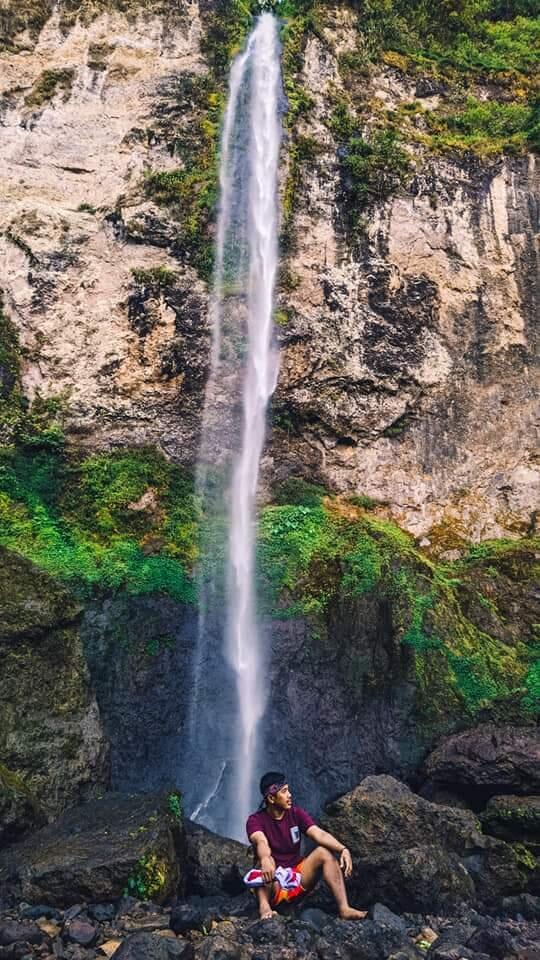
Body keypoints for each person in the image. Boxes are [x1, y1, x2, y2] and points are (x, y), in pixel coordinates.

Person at [246, 771, 367, 921]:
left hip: (296, 879)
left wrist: (343, 849)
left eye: (288, 790)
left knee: (323, 852)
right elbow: (261, 841)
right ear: (271, 798)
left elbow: (319, 834)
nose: (290, 795)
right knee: (265, 861)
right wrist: (264, 858)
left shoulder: (296, 814)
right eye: (284, 792)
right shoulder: (255, 820)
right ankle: (264, 908)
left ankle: (344, 909)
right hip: (273, 884)